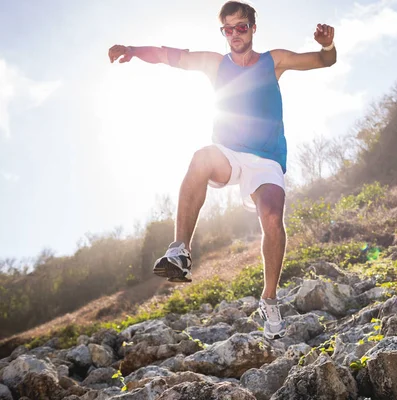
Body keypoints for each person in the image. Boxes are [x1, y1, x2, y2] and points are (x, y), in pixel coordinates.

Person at [108, 1, 336, 339]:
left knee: (272, 218)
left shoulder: (274, 61)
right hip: (228, 152)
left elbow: (323, 61)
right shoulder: (215, 64)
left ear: (253, 28)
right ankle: (180, 251)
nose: (233, 35)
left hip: (267, 159)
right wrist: (133, 50)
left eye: (240, 27)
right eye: (227, 29)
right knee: (201, 157)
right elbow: (171, 57)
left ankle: (270, 299)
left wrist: (327, 44)